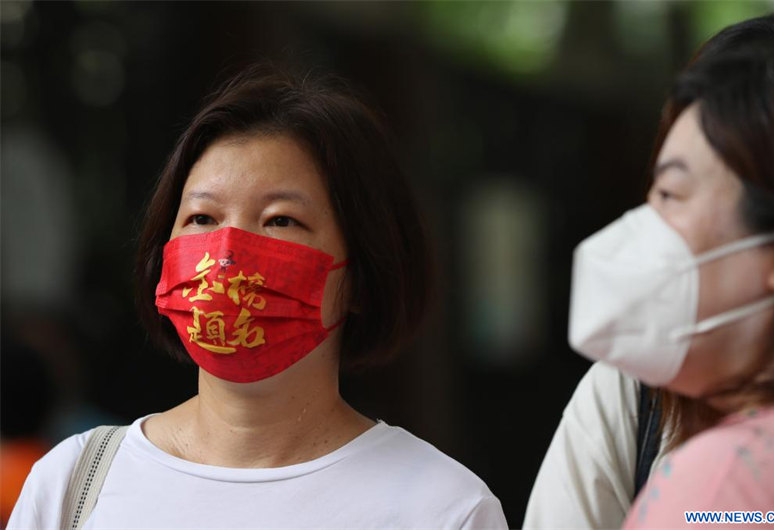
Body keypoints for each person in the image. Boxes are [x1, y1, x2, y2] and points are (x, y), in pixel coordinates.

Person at [8, 66, 508, 529]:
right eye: (202, 218)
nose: (227, 254)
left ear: (360, 275)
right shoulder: (74, 484)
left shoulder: (441, 508)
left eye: (280, 221)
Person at [523, 11, 774, 529]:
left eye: (672, 193)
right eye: (655, 189)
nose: (646, 226)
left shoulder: (714, 483)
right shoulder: (630, 398)